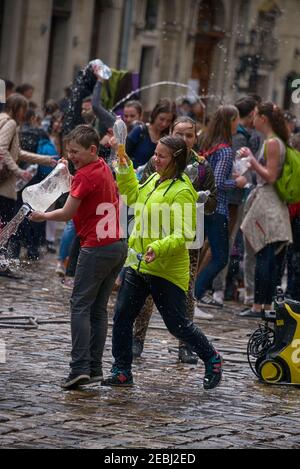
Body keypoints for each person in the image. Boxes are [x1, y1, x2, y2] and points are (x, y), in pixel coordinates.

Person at [101, 135, 222, 390]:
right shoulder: (155, 180)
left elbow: (185, 233)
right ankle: (122, 370)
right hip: (139, 264)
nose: (155, 159)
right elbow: (133, 197)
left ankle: (212, 357)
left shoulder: (183, 191)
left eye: (161, 156)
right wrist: (124, 168)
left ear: (175, 160)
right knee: (123, 317)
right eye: (155, 154)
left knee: (177, 325)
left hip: (165, 269)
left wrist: (158, 247)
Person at [30, 125, 127, 389]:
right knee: (98, 309)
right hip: (118, 245)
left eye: (75, 152)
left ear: (92, 149)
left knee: (80, 306)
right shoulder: (104, 168)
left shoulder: (85, 174)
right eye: (69, 151)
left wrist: (43, 216)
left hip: (96, 247)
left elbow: (67, 213)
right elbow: (87, 189)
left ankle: (79, 368)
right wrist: (69, 171)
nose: (71, 156)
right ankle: (94, 368)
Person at [132, 116, 217, 363]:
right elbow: (143, 191)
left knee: (186, 293)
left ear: (195, 138)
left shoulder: (202, 166)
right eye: (179, 134)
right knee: (147, 289)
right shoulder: (156, 160)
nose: (184, 139)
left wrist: (200, 199)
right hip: (156, 235)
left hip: (187, 239)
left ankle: (186, 345)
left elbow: (213, 203)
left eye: (189, 135)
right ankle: (137, 339)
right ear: (171, 133)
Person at [240, 102, 293, 317]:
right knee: (267, 255)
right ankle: (264, 305)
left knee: (264, 254)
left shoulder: (272, 142)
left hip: (268, 202)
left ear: (263, 118)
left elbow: (270, 176)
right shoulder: (273, 141)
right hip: (270, 201)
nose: (253, 119)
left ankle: (260, 306)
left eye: (255, 115)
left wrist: (251, 161)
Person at [195, 105, 247, 307]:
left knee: (199, 251)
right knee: (220, 257)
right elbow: (217, 183)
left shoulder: (209, 145)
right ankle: (196, 293)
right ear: (230, 122)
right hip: (218, 209)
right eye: (236, 120)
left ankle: (193, 293)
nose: (239, 124)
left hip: (205, 207)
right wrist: (237, 182)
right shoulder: (225, 150)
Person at [125, 98, 176, 169]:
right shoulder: (139, 131)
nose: (164, 124)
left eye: (168, 121)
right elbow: (123, 155)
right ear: (155, 115)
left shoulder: (168, 138)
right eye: (161, 119)